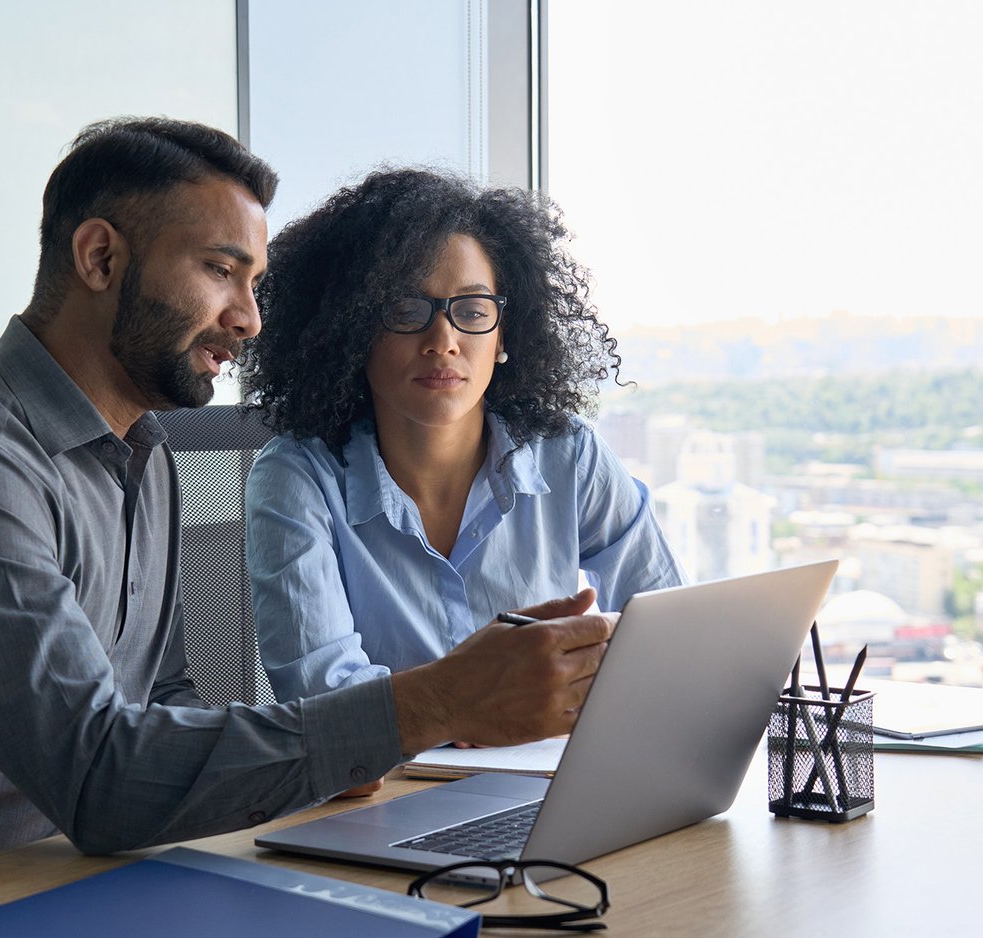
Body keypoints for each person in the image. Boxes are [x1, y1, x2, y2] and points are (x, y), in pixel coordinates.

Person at [0, 119, 613, 891]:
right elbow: (100, 779)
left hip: (78, 883)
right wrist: (428, 705)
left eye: (255, 281)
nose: (249, 319)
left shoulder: (143, 456)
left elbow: (161, 701)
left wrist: (332, 749)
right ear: (100, 259)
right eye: (220, 272)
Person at [239, 169, 683, 727]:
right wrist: (465, 709)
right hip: (385, 799)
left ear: (504, 337)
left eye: (472, 311)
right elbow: (328, 707)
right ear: (352, 331)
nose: (443, 341)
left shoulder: (567, 453)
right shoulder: (295, 477)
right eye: (406, 310)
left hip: (547, 776)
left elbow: (667, 630)